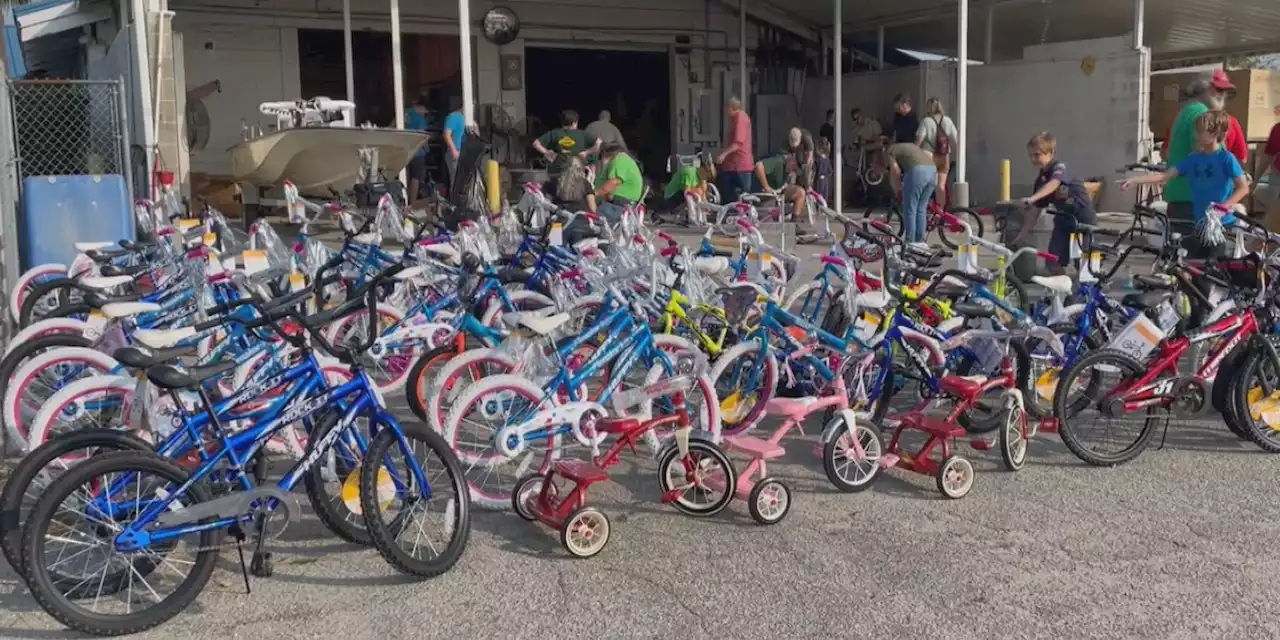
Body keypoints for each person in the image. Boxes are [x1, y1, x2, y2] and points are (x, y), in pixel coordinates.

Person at [1121, 111, 1248, 259]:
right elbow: (1164, 176)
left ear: (1214, 134)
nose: (1196, 135)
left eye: (1201, 131)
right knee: (1192, 263)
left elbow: (1243, 187)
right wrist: (1136, 180)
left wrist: (1224, 207)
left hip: (1221, 225)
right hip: (1199, 222)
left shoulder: (1226, 159)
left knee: (1214, 267)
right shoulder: (1192, 159)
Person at [1163, 71, 1240, 232]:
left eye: (1224, 91)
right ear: (1203, 89)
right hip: (1195, 203)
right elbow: (1212, 157)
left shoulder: (1187, 110)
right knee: (1206, 254)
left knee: (1185, 253)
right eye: (1217, 90)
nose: (1221, 95)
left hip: (1181, 199)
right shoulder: (1201, 114)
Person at [1013, 132, 1097, 276]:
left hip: (1083, 217)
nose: (1033, 159)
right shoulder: (1041, 181)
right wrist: (1022, 235)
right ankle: (1064, 290)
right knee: (1052, 261)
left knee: (1085, 265)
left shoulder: (1060, 168)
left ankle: (1085, 290)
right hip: (1064, 220)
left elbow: (1054, 183)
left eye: (1037, 155)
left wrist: (1032, 198)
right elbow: (1035, 211)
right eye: (1031, 155)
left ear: (1050, 153)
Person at [532, 109, 601, 201]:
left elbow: (536, 143)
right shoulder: (582, 134)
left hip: (557, 174)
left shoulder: (555, 133)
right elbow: (599, 142)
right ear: (575, 122)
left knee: (556, 199)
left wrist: (547, 152)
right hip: (577, 175)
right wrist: (586, 152)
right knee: (579, 198)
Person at [885, 142, 936, 244]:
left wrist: (897, 190)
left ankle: (910, 242)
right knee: (921, 209)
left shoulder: (889, 152)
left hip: (917, 172)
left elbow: (895, 171)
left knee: (910, 209)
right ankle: (920, 241)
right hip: (933, 171)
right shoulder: (907, 147)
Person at [915, 97, 959, 206]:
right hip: (944, 156)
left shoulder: (926, 121)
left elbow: (919, 141)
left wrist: (913, 153)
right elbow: (955, 140)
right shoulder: (947, 120)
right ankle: (940, 213)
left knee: (927, 185)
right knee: (941, 185)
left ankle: (923, 209)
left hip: (929, 155)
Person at [587, 142, 643, 225]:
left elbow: (613, 183)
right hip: (618, 205)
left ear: (605, 154)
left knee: (583, 222)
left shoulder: (619, 160)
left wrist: (593, 193)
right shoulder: (622, 160)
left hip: (618, 206)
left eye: (600, 158)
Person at [717, 96, 754, 201]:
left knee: (741, 198)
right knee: (726, 194)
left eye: (727, 108)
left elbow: (738, 143)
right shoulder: (734, 119)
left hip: (740, 166)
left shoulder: (740, 118)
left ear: (731, 107)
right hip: (731, 166)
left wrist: (723, 155)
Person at [753, 153, 806, 222]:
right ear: (791, 160)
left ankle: (794, 223)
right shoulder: (778, 161)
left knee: (800, 192)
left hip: (778, 192)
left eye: (795, 170)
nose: (793, 170)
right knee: (773, 216)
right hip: (765, 194)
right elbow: (758, 166)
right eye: (793, 167)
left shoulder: (787, 169)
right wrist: (766, 186)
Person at [404, 97, 429, 207]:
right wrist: (428, 150)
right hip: (417, 153)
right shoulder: (419, 118)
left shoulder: (404, 113)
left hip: (403, 150)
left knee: (405, 176)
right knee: (416, 177)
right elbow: (422, 137)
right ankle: (412, 203)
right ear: (421, 107)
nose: (425, 114)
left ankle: (404, 199)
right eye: (425, 111)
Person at [1257, 121, 1280, 232]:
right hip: (1277, 176)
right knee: (1273, 220)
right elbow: (1268, 155)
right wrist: (1257, 177)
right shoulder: (1278, 129)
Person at [442, 106, 466, 188]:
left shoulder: (467, 119)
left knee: (463, 181)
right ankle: (454, 200)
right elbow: (446, 134)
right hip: (454, 152)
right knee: (456, 180)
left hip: (463, 153)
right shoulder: (453, 116)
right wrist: (453, 150)